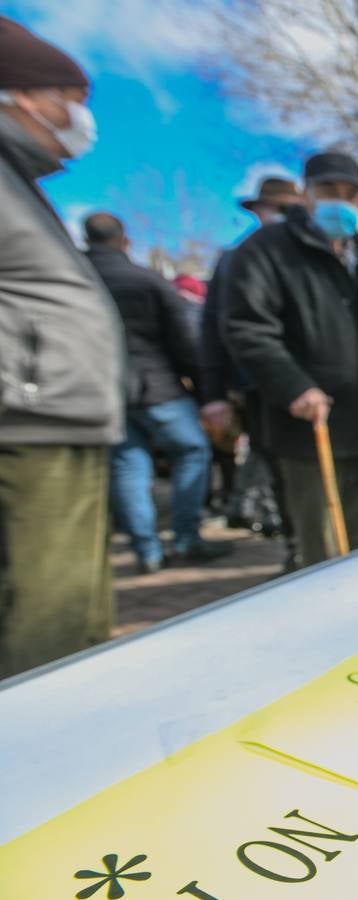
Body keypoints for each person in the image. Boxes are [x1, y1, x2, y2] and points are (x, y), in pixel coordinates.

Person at [0, 19, 124, 677]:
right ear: (19, 95)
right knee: (42, 620)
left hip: (62, 422)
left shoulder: (21, 184)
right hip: (26, 426)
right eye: (66, 97)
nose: (78, 118)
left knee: (73, 614)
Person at [224, 151, 358, 566]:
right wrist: (294, 386)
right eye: (329, 190)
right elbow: (248, 327)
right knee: (322, 546)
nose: (340, 201)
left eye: (350, 194)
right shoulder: (267, 251)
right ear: (306, 194)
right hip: (310, 429)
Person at [84, 213, 231, 573]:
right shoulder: (146, 281)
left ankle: (147, 551)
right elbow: (183, 340)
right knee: (193, 451)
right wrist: (203, 392)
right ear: (125, 240)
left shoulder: (77, 280)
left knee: (128, 467)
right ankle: (185, 537)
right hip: (159, 389)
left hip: (106, 392)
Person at [202, 175, 303, 570]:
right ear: (258, 211)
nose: (278, 218)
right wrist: (213, 394)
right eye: (273, 209)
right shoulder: (236, 258)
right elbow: (212, 329)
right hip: (262, 388)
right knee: (278, 468)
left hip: (319, 390)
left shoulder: (312, 256)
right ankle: (298, 547)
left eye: (288, 210)